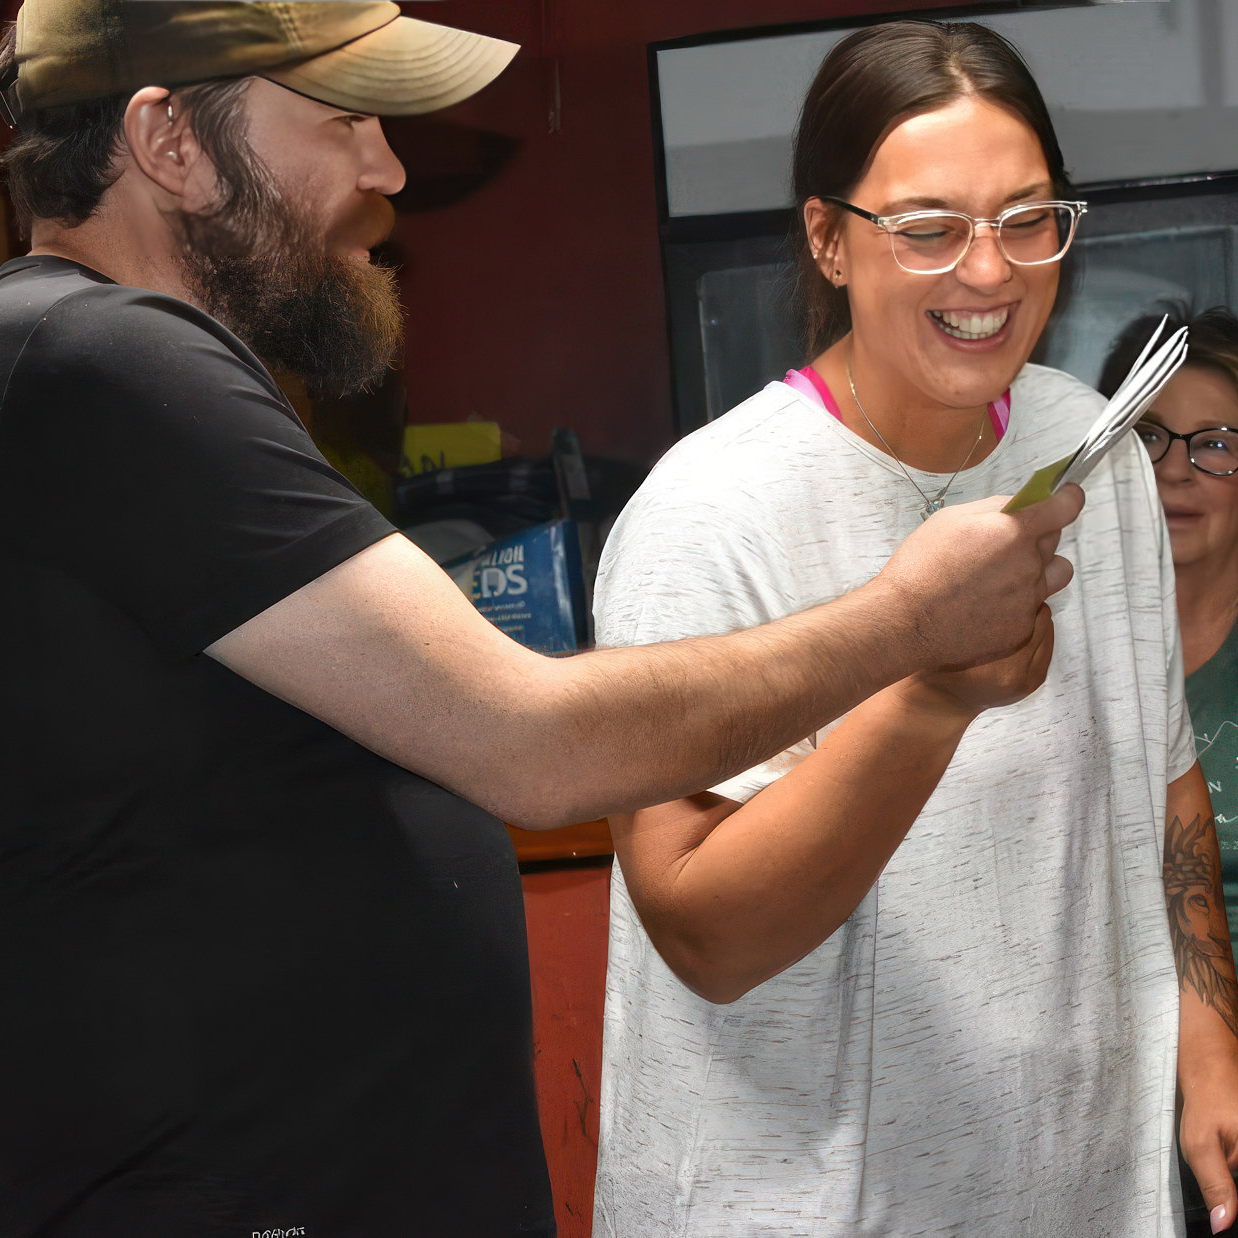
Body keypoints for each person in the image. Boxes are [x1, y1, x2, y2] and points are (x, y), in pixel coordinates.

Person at [0, 2, 1084, 1235]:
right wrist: (907, 622)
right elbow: (533, 743)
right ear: (168, 140)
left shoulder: (107, 377)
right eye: (345, 117)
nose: (387, 167)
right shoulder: (101, 358)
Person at [591, 20, 1238, 1237]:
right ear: (827, 239)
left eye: (1025, 217)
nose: (987, 271)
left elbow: (1164, 783)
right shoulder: (706, 517)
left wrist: (1207, 1030)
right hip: (796, 1203)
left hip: (1079, 1191)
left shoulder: (1090, 451)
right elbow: (704, 930)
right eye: (928, 228)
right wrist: (929, 687)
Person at [1102, 306, 1238, 1238]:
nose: (1178, 469)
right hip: (1106, 1078)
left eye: (1217, 443)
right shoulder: (1054, 643)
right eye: (1148, 438)